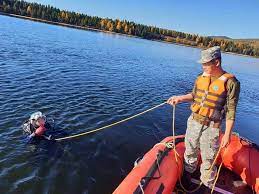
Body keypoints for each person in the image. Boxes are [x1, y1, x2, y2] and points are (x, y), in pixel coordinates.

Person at [167, 46, 240, 188]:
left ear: (217, 62)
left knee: (208, 157)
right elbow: (194, 96)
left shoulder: (231, 83)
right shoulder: (200, 78)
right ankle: (188, 175)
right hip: (194, 121)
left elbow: (231, 110)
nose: (203, 66)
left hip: (212, 127)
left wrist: (227, 134)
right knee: (190, 150)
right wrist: (179, 98)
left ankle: (207, 185)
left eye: (206, 63)